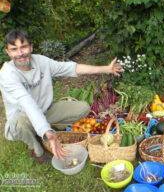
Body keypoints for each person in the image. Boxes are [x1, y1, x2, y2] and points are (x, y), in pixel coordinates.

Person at [0, 29, 123, 162]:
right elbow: (27, 104)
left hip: (45, 111)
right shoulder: (7, 75)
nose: (20, 53)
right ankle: (38, 151)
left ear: (31, 47)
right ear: (8, 52)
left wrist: (106, 69)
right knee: (21, 123)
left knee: (83, 108)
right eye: (14, 49)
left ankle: (46, 129)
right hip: (22, 117)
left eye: (23, 47)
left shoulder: (41, 62)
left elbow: (71, 68)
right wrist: (49, 134)